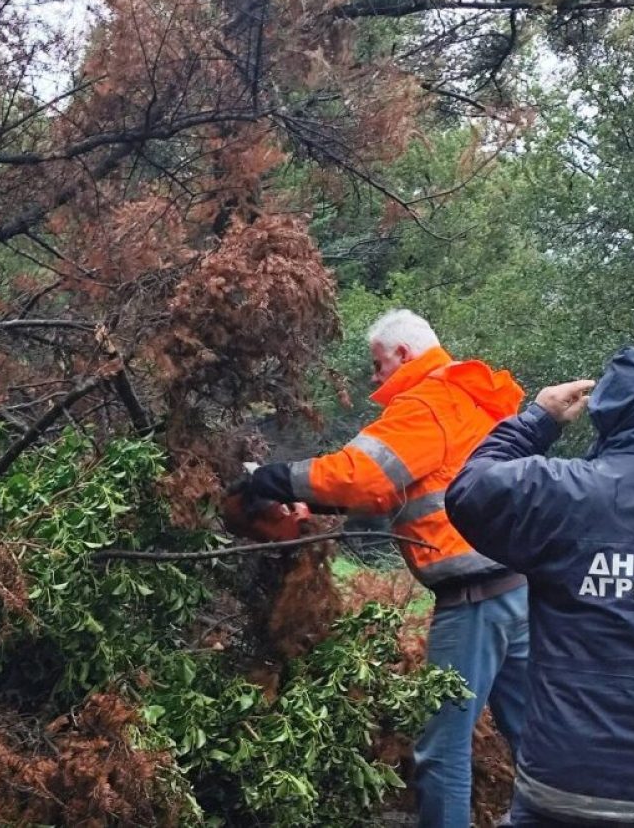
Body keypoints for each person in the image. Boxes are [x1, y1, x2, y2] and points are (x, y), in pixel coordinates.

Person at [227, 309, 529, 828]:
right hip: (520, 589)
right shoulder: (473, 400)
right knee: (538, 738)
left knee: (443, 749)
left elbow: (362, 476)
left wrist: (271, 479)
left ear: (404, 355)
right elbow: (396, 487)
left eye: (376, 364)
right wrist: (316, 506)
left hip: (474, 597)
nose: (373, 377)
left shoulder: (426, 401)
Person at [447, 347, 634, 827]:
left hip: (562, 787)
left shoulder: (563, 494)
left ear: (607, 417)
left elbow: (470, 490)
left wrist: (538, 421)